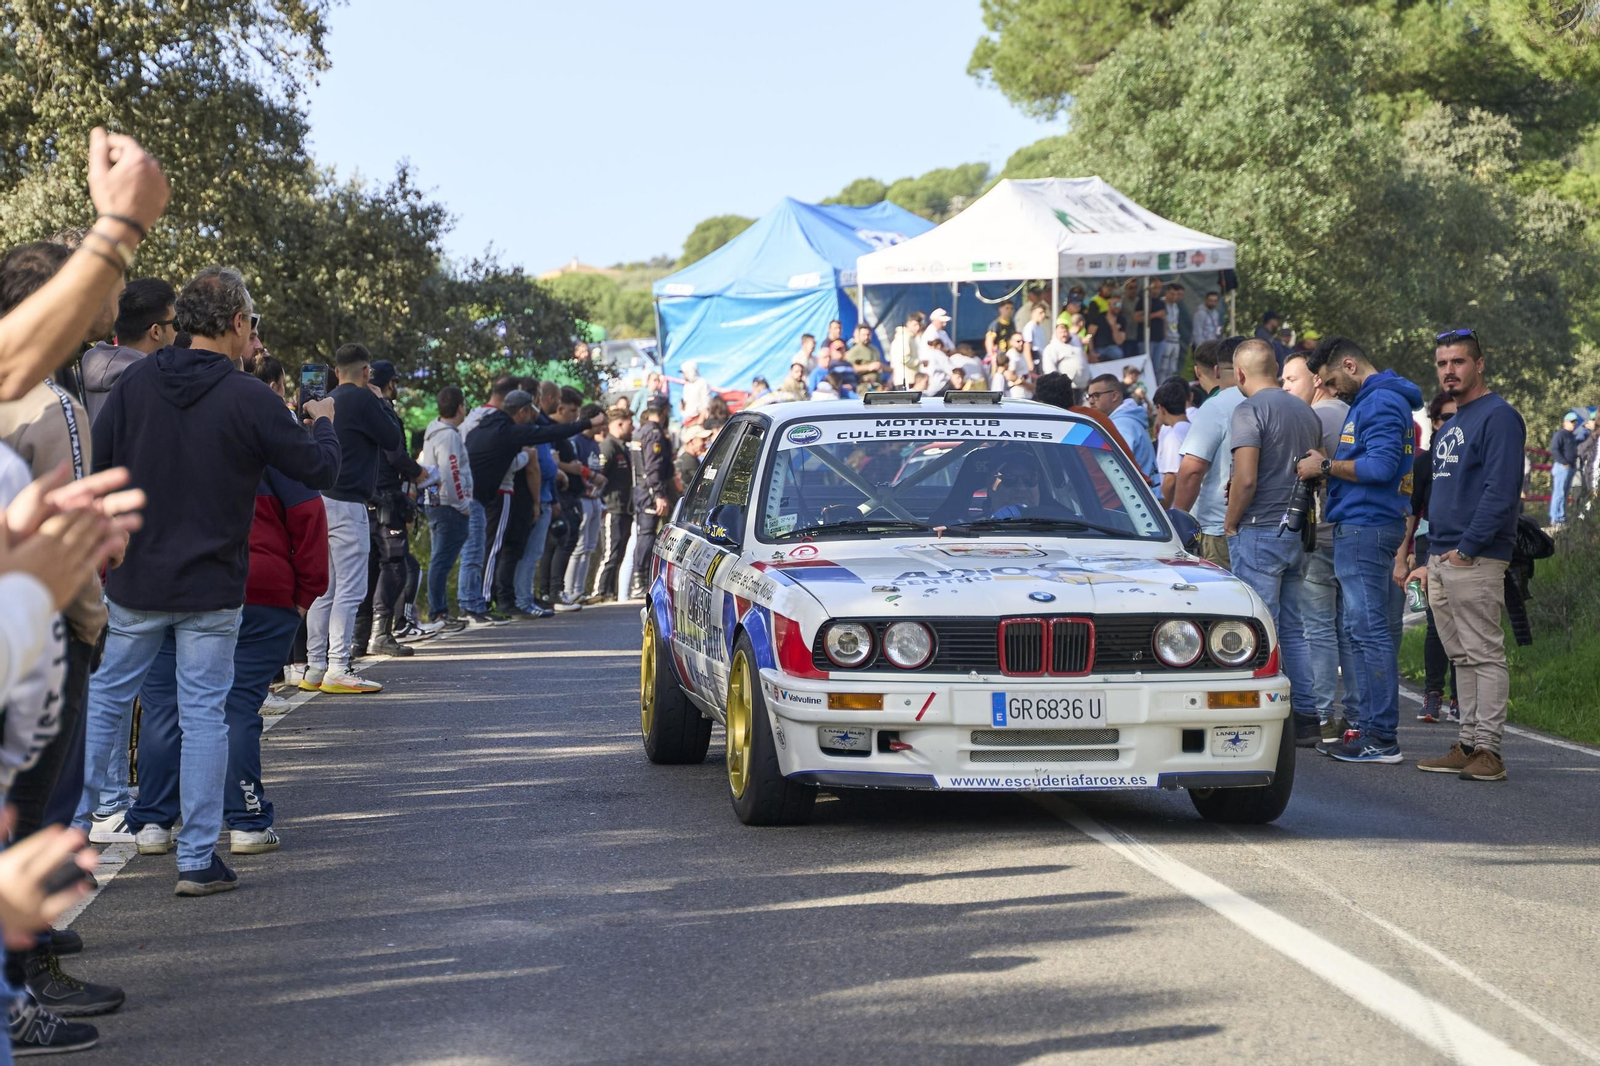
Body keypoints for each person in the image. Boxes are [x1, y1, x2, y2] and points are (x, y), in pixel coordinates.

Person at [81, 265, 340, 896]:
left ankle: (66, 840)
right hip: (214, 588)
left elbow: (101, 476)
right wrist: (325, 419)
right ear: (234, 324)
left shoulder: (134, 386)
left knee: (108, 701)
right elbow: (319, 470)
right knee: (205, 716)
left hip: (136, 581)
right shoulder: (248, 397)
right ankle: (197, 859)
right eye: (251, 322)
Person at [130, 355, 328, 861]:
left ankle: (152, 822)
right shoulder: (258, 425)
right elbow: (308, 512)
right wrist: (305, 594)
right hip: (250, 587)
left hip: (156, 585)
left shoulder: (142, 419)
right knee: (234, 704)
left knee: (164, 707)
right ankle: (244, 821)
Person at [1297, 336, 1423, 765]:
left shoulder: (1381, 402)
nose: (1331, 390)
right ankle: (1368, 730)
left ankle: (1381, 738)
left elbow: (1382, 467)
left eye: (1331, 380)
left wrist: (1326, 466)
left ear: (1349, 365)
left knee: (1369, 633)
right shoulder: (1376, 401)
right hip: (1364, 524)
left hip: (1367, 527)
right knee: (1360, 631)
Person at [1410, 331, 1525, 782]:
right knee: (1462, 658)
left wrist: (1467, 549)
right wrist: (1431, 555)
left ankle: (1489, 752)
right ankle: (1469, 743)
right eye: (1442, 363)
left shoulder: (1498, 417)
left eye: (1458, 361)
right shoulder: (1455, 421)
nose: (1448, 371)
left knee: (1484, 653)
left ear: (1480, 363)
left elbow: (1501, 492)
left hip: (1473, 557)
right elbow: (1441, 494)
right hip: (1442, 556)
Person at [0, 128, 169, 403]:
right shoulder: (29, 379)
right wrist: (122, 225)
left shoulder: (67, 368)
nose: (116, 292)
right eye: (103, 279)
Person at [1223, 340, 1324, 746]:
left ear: (1241, 375)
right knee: (1294, 628)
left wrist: (1231, 523)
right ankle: (1306, 718)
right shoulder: (1306, 411)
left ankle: (1267, 720)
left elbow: (1245, 478)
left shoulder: (1248, 411)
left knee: (1260, 628)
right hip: (1296, 532)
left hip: (1259, 529)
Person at [302, 344, 398, 692]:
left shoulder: (325, 401)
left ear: (336, 370)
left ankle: (314, 667)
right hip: (349, 503)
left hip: (321, 499)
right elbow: (393, 439)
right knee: (350, 589)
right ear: (366, 371)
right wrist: (380, 401)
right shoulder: (363, 399)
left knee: (323, 589)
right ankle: (339, 667)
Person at [1283, 352, 1358, 742]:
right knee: (1349, 629)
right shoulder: (1348, 413)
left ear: (1316, 380)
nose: (1285, 389)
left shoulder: (1317, 417)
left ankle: (1324, 712)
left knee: (1318, 630)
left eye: (1290, 380)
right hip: (1346, 531)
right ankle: (1356, 714)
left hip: (1321, 535)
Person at [1398, 392, 1460, 725]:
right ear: (1433, 423)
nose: (1449, 423)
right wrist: (1402, 556)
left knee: (1464, 625)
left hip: (1466, 547)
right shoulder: (1423, 463)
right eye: (1443, 418)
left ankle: (1461, 697)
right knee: (1436, 624)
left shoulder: (1470, 456)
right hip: (1428, 544)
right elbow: (1410, 511)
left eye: (1456, 416)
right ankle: (1433, 694)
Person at [1174, 337, 1245, 566]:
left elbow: (1192, 470)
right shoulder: (1271, 401)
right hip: (1265, 526)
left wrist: (1178, 519)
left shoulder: (1216, 406)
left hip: (1216, 527)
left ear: (1215, 370)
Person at [80, 277, 176, 423]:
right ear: (156, 331)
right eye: (174, 323)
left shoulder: (83, 371)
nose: (177, 331)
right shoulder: (153, 384)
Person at [419, 385, 474, 625]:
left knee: (438, 559)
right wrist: (462, 503)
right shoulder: (449, 435)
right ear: (460, 407)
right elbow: (451, 472)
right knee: (441, 561)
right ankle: (439, 611)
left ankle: (438, 609)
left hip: (434, 502)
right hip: (448, 505)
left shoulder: (433, 432)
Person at [561, 402, 608, 608]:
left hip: (595, 498)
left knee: (589, 546)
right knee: (579, 546)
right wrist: (590, 478)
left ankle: (579, 590)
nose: (602, 427)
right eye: (600, 423)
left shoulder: (594, 443)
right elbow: (577, 467)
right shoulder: (576, 441)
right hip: (582, 496)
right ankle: (569, 590)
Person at [630, 396, 675, 599]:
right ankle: (639, 580)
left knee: (645, 533)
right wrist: (659, 494)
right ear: (665, 410)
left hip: (640, 488)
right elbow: (653, 467)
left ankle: (640, 578)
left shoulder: (640, 431)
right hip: (648, 491)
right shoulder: (654, 434)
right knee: (647, 533)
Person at [591, 407, 635, 603]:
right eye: (629, 423)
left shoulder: (622, 446)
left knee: (620, 552)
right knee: (611, 552)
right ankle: (600, 591)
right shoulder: (608, 447)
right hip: (612, 508)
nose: (632, 427)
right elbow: (599, 477)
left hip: (624, 508)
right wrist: (602, 503)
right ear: (619, 424)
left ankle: (610, 591)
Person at [1088, 374, 1158, 496]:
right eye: (1088, 396)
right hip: (1146, 496)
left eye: (1096, 395)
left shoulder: (1121, 426)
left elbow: (1115, 470)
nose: (1091, 401)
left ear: (1114, 395)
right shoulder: (1125, 421)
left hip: (1139, 499)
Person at [1152, 377, 1191, 503]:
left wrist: (1161, 512)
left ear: (1161, 409)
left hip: (1178, 507)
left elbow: (1170, 480)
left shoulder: (1173, 436)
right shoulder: (1191, 428)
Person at [1548, 411, 1577, 528]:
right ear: (1565, 422)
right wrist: (1564, 462)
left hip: (1570, 468)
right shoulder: (1560, 435)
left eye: (1575, 422)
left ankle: (1561, 517)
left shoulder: (1572, 436)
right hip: (1561, 468)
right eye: (1571, 422)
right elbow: (1554, 449)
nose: (1573, 424)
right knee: (1559, 493)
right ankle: (1556, 518)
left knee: (1564, 494)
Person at [888, 312, 926, 388]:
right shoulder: (904, 337)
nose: (917, 328)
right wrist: (919, 362)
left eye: (919, 325)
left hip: (909, 379)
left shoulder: (910, 337)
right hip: (905, 380)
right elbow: (904, 358)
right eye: (914, 325)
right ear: (908, 324)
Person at [676, 424, 712, 493]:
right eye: (703, 439)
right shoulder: (689, 461)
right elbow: (704, 482)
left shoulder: (687, 458)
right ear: (691, 442)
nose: (706, 442)